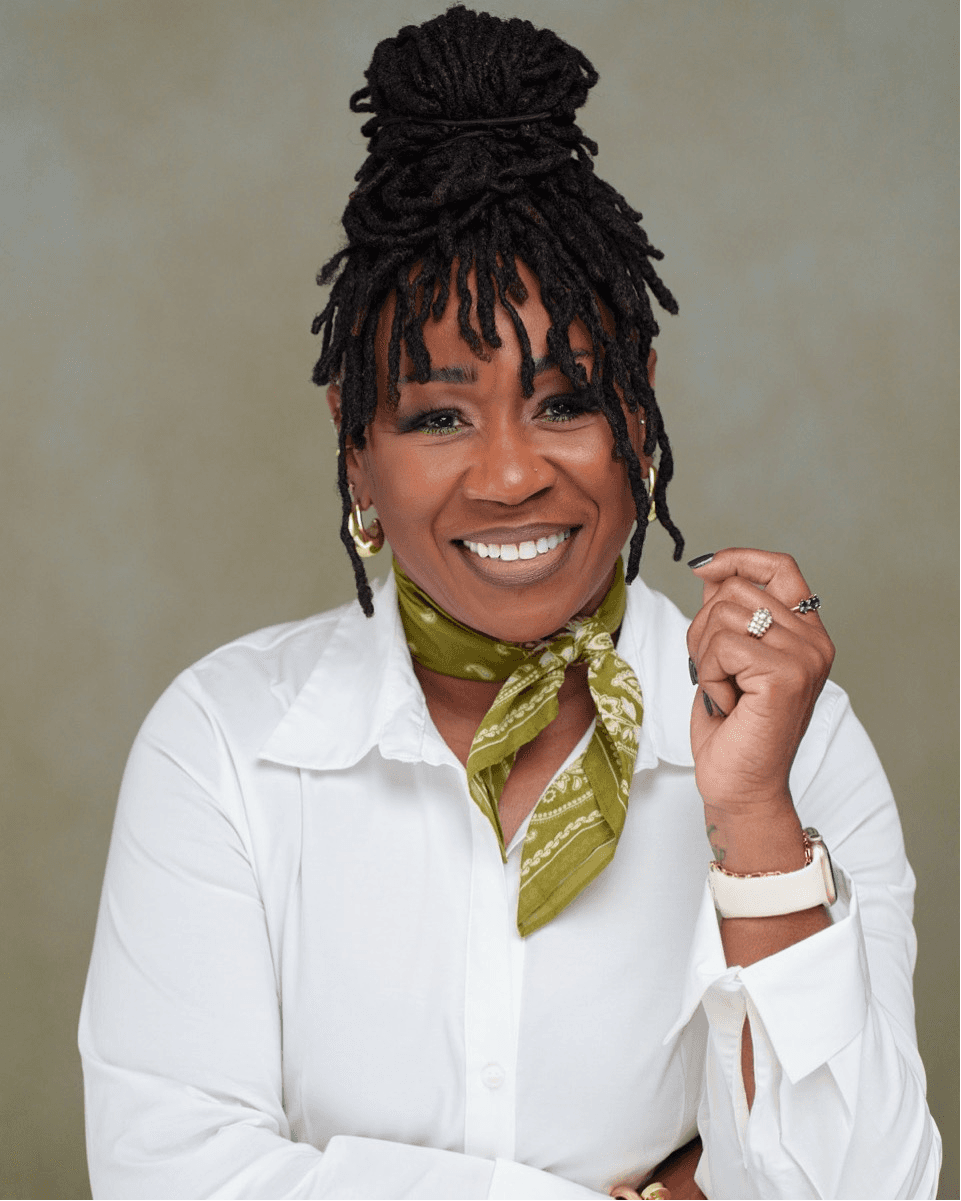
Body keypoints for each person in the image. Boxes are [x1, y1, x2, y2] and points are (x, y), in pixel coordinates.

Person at [79, 7, 941, 1199]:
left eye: (564, 402)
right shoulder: (226, 745)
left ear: (637, 413)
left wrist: (751, 827)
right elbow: (168, 1174)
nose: (508, 474)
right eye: (437, 414)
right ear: (355, 447)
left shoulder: (791, 749)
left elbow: (860, 1188)